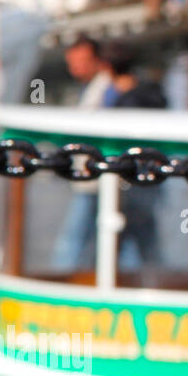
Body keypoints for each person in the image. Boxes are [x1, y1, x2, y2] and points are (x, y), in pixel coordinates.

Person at [102, 43, 168, 271]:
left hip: (124, 184)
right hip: (149, 181)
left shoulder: (118, 99)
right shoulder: (152, 91)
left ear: (109, 68)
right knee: (145, 239)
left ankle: (108, 282)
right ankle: (157, 280)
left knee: (110, 238)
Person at [50, 37, 114, 273]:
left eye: (82, 61)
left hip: (95, 181)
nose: (76, 68)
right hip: (91, 181)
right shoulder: (91, 88)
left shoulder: (105, 89)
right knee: (100, 238)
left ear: (97, 60)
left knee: (73, 238)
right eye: (72, 62)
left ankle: (59, 285)